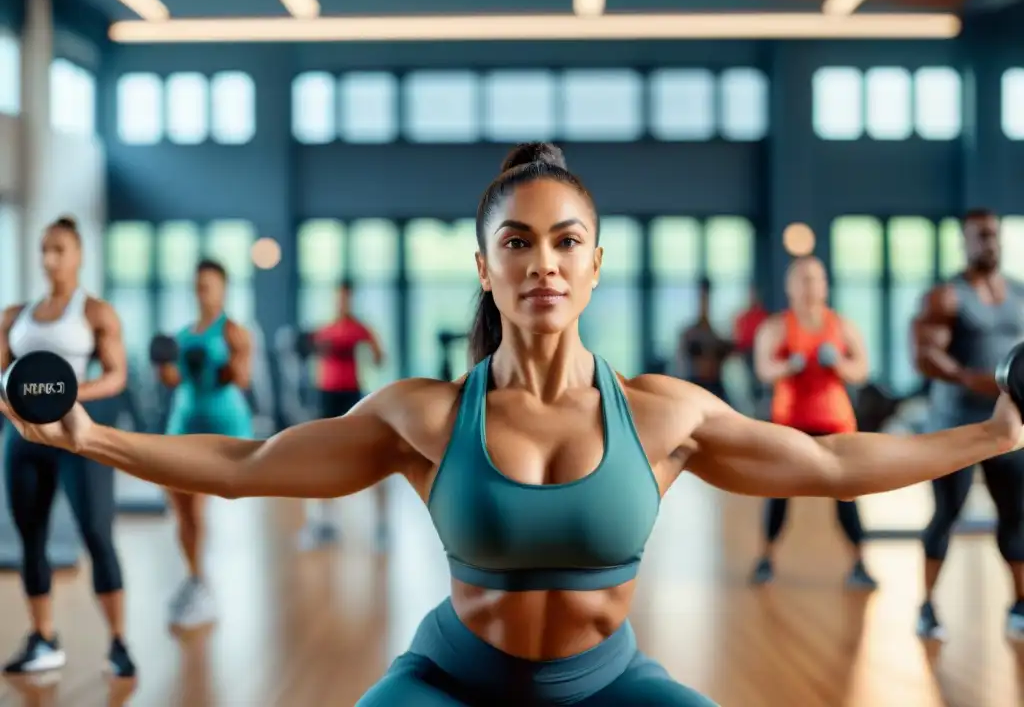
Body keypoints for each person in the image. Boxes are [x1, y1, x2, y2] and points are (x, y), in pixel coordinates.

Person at [2, 145, 1022, 706]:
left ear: (594, 264)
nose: (543, 261)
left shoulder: (664, 414)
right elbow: (246, 463)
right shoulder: (424, 416)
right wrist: (92, 439)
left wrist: (988, 437)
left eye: (565, 241)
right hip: (451, 679)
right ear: (483, 265)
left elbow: (832, 459)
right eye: (517, 241)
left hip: (609, 682)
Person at [0, 216, 135, 677]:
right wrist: (11, 407)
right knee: (30, 538)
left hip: (78, 437)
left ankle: (118, 643)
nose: (49, 258)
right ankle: (44, 638)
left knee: (97, 532)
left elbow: (117, 375)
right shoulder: (14, 315)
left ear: (78, 255)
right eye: (43, 249)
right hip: (24, 440)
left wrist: (67, 393)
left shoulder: (95, 312)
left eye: (59, 249)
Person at [911, 208, 1024, 641]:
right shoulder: (947, 297)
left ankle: (1018, 605)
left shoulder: (1017, 292)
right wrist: (968, 377)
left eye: (993, 234)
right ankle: (926, 607)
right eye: (979, 236)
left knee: (1015, 518)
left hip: (1007, 428)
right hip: (955, 425)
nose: (988, 242)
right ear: (965, 241)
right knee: (946, 515)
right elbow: (924, 353)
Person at [748, 256, 878, 589]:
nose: (810, 285)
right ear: (790, 286)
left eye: (816, 279)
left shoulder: (842, 326)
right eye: (803, 279)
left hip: (835, 423)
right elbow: (763, 369)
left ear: (825, 285)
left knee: (847, 494)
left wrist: (839, 365)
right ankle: (765, 558)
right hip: (790, 423)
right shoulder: (778, 327)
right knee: (778, 492)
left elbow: (861, 370)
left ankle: (859, 564)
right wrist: (789, 365)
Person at [156, 259, 253, 629]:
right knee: (180, 504)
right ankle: (196, 578)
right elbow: (173, 379)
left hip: (220, 424)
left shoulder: (234, 332)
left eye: (209, 285)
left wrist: (227, 366)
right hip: (183, 422)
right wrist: (163, 365)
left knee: (195, 507)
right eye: (198, 285)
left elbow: (243, 378)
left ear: (223, 288)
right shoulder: (184, 333)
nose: (203, 292)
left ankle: (200, 584)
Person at [300, 281, 386, 550]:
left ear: (351, 300)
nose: (342, 303)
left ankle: (381, 526)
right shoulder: (324, 332)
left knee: (371, 456)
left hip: (352, 395)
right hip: (327, 396)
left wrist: (370, 346)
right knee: (323, 459)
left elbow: (379, 358)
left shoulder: (359, 329)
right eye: (338, 298)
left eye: (346, 299)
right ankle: (324, 523)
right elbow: (304, 354)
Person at [677, 278, 733, 403]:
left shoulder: (716, 335)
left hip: (714, 388)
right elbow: (680, 365)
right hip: (695, 387)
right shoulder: (689, 335)